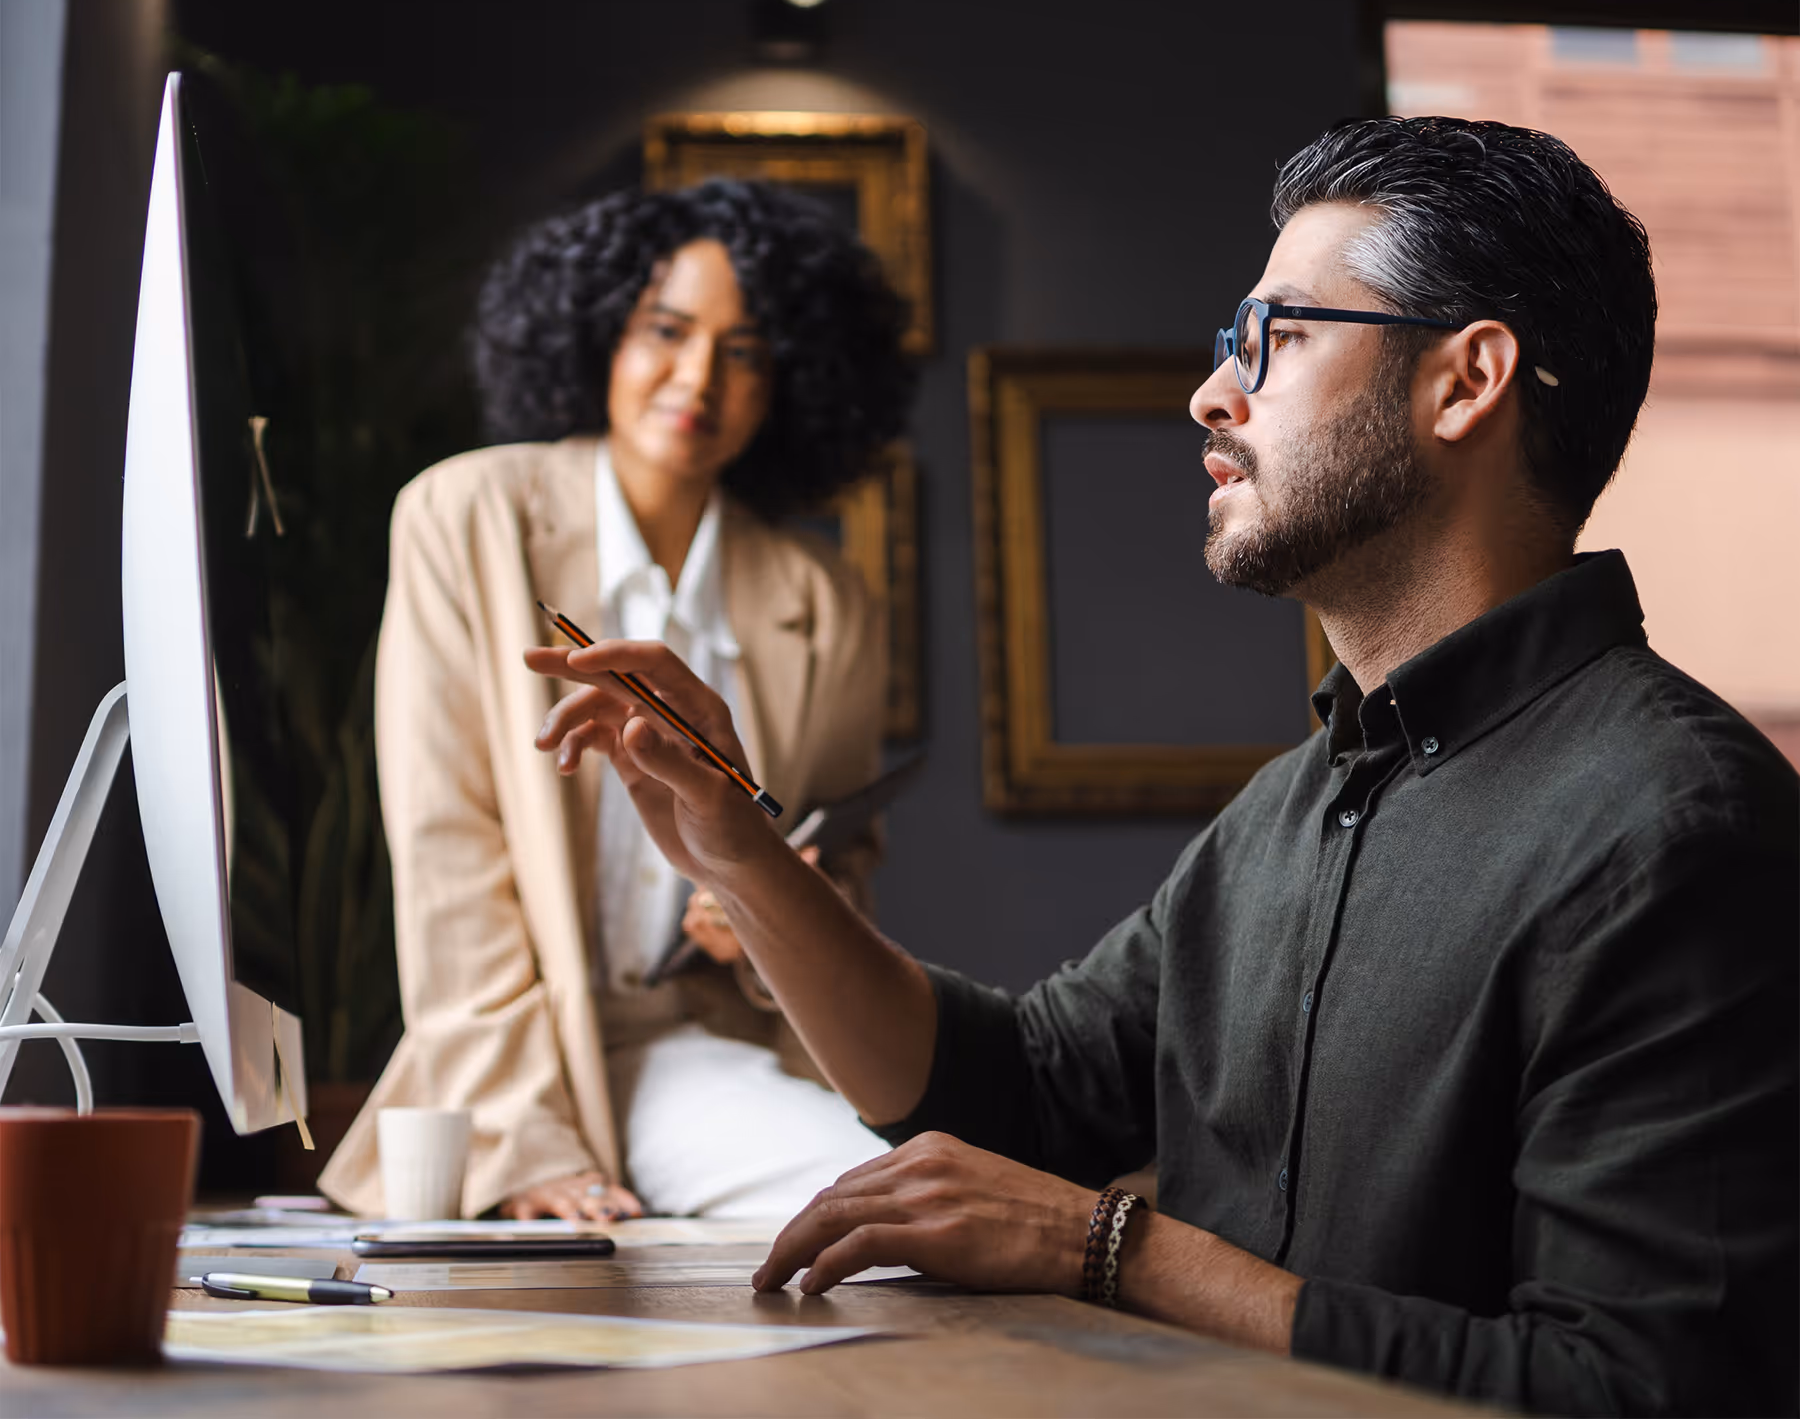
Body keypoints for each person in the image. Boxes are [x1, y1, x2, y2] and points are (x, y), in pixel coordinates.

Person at [531, 119, 1798, 1416]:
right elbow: (1008, 1092)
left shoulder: (1673, 828)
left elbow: (1641, 1392)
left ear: (1465, 381)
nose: (1212, 394)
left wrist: (1106, 1248)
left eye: (1279, 335)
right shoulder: (1292, 808)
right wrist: (736, 850)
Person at [320, 178, 915, 1223]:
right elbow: (446, 849)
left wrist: (768, 913)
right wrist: (520, 1143)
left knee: (931, 1203)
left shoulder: (827, 602)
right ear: (595, 332)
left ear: (791, 381)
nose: (699, 378)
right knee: (897, 1216)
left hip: (698, 1051)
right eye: (666, 331)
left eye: (745, 352)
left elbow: (842, 884)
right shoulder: (468, 516)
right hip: (515, 1059)